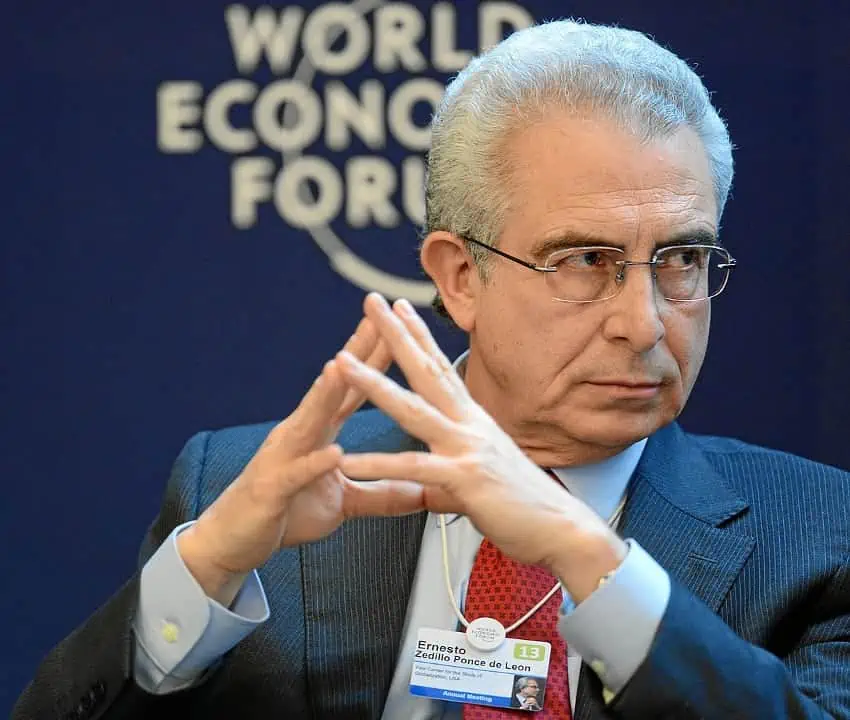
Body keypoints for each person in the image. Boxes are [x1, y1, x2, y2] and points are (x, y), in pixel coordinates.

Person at [13, 18, 850, 720]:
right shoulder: (236, 490)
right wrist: (202, 578)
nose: (644, 322)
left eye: (681, 258)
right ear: (459, 277)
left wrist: (586, 556)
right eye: (585, 260)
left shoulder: (821, 534)